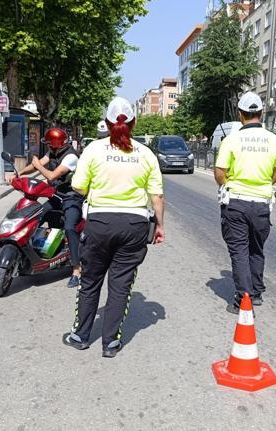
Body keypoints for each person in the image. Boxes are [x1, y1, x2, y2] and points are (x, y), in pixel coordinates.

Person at [63, 97, 165, 358]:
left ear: (108, 123)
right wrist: (160, 226)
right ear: (134, 122)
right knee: (120, 286)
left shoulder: (94, 150)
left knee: (90, 281)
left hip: (99, 224)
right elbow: (157, 197)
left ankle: (81, 335)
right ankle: (110, 342)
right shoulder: (146, 154)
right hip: (134, 226)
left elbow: (79, 187)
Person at [214, 92, 276, 314]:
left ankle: (243, 300)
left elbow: (219, 172)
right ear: (261, 113)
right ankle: (257, 292)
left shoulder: (231, 140)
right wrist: (262, 185)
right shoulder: (275, 140)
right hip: (262, 203)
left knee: (239, 251)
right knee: (256, 248)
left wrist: (229, 185)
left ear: (240, 114)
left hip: (236, 202)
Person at [15, 128, 83, 287]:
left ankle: (76, 269)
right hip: (56, 194)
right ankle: (28, 254)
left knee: (70, 227)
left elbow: (52, 175)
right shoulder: (52, 152)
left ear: (55, 145)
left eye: (48, 144)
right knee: (35, 215)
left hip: (72, 196)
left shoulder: (71, 156)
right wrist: (20, 174)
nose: (47, 147)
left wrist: (38, 165)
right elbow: (35, 166)